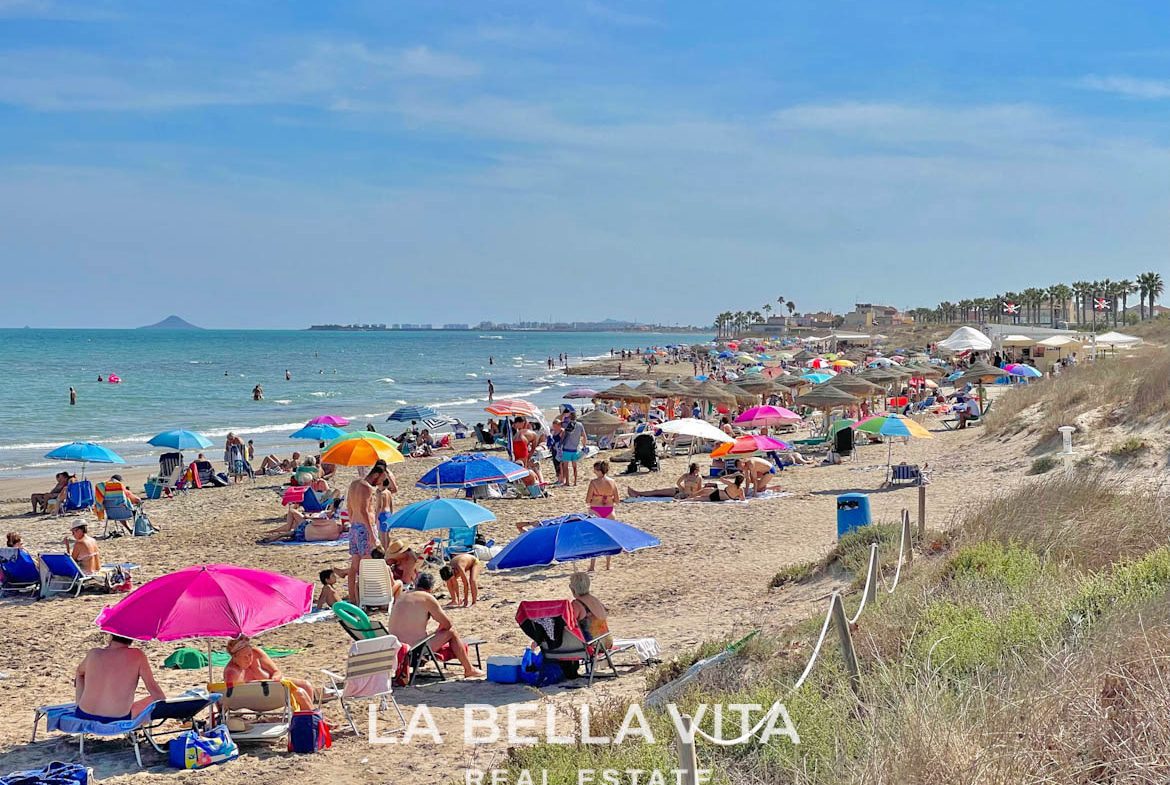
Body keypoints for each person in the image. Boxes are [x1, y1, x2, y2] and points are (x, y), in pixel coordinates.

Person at [387, 573, 484, 679]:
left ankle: (469, 669)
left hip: (394, 649)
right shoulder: (427, 598)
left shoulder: (402, 595)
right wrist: (439, 630)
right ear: (431, 588)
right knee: (451, 632)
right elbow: (448, 624)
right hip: (413, 651)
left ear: (415, 584)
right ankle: (469, 669)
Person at [74, 635, 167, 722]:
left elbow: (79, 673)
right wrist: (164, 703)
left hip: (83, 714)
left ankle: (79, 704)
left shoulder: (93, 653)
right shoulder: (137, 655)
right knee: (152, 699)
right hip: (118, 718)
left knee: (79, 676)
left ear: (111, 636)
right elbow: (153, 688)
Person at [223, 636, 315, 709]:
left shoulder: (257, 653)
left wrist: (275, 678)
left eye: (250, 655)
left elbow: (277, 671)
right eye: (244, 657)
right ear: (234, 657)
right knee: (300, 692)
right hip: (258, 700)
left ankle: (307, 717)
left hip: (274, 689)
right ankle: (313, 718)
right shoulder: (232, 672)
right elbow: (231, 698)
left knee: (306, 685)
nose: (249, 659)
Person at [345, 461, 388, 604]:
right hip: (364, 527)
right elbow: (364, 511)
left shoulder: (354, 484)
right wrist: (372, 534)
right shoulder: (367, 487)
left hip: (354, 527)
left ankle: (353, 599)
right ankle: (367, 599)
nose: (380, 482)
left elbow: (349, 507)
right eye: (381, 479)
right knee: (367, 565)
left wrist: (353, 522)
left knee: (354, 565)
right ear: (376, 474)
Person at [585, 460, 620, 571]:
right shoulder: (612, 482)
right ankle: (608, 565)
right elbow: (617, 500)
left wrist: (598, 498)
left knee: (594, 538)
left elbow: (587, 499)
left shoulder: (593, 483)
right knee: (609, 537)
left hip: (596, 510)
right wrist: (607, 498)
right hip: (609, 510)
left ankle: (592, 566)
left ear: (598, 470)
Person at [259, 504, 346, 543]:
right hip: (303, 538)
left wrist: (308, 516)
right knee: (293, 531)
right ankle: (284, 534)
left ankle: (286, 529)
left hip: (304, 529)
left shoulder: (332, 523)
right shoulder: (335, 537)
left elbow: (314, 522)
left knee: (292, 511)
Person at [569, 572, 612, 650]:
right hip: (607, 642)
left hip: (593, 646)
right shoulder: (595, 600)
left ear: (572, 589)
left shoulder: (577, 604)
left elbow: (569, 624)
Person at [627, 462, 704, 499]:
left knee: (658, 493)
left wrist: (692, 495)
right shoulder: (686, 475)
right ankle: (638, 493)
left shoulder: (699, 478)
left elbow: (700, 490)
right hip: (678, 491)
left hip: (687, 494)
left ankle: (638, 493)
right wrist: (682, 489)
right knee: (657, 491)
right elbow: (678, 483)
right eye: (697, 469)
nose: (697, 471)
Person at [559, 411, 587, 486]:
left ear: (570, 417)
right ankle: (575, 482)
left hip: (566, 448)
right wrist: (584, 445)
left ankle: (567, 482)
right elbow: (584, 436)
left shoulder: (567, 425)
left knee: (566, 466)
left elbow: (563, 435)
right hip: (575, 449)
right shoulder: (580, 425)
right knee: (575, 466)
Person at [376, 473, 399, 552]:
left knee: (382, 535)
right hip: (388, 513)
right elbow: (391, 505)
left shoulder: (381, 494)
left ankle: (385, 551)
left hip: (382, 514)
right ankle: (388, 549)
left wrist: (376, 518)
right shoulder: (388, 492)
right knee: (387, 534)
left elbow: (379, 507)